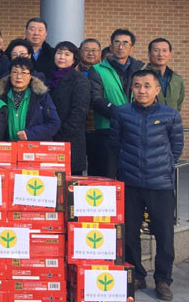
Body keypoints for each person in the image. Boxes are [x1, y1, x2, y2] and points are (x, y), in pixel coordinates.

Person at [109, 70, 184, 301]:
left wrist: (163, 166)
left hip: (160, 185)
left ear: (157, 90)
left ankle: (163, 280)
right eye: (137, 86)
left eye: (147, 86)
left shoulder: (170, 115)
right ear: (131, 88)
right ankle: (137, 275)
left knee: (164, 234)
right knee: (130, 232)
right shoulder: (121, 113)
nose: (142, 90)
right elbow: (115, 144)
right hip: (130, 182)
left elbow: (176, 147)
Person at [88, 29, 145, 178]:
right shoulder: (97, 69)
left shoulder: (141, 70)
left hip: (135, 130)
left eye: (125, 43)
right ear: (111, 46)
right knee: (108, 175)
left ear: (132, 48)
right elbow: (96, 99)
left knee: (131, 177)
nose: (121, 47)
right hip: (107, 130)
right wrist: (122, 115)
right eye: (117, 43)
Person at [47, 41, 90, 174]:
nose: (62, 57)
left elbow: (79, 112)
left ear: (74, 59)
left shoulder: (79, 80)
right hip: (49, 140)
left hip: (69, 140)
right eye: (59, 53)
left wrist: (59, 133)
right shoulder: (48, 78)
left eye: (67, 54)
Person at [0, 57, 60, 141]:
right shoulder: (1, 95)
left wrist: (30, 134)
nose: (19, 76)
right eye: (15, 72)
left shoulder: (40, 95)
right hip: (7, 145)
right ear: (10, 74)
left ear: (30, 76)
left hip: (34, 145)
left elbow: (54, 123)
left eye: (24, 73)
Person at [78, 38, 102, 176]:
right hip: (77, 126)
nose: (90, 53)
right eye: (87, 50)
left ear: (100, 52)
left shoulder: (105, 71)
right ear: (80, 52)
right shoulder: (73, 70)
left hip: (97, 125)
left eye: (94, 50)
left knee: (97, 166)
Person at [147, 38, 184, 111]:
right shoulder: (140, 77)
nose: (160, 54)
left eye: (164, 50)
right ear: (149, 54)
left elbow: (179, 104)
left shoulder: (177, 79)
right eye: (156, 50)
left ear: (170, 55)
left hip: (171, 118)